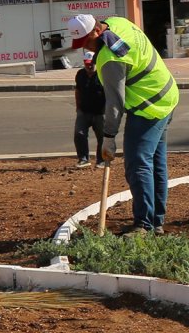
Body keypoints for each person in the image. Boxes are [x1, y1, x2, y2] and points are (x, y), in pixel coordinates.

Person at [68, 14, 180, 234]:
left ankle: (144, 225)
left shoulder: (110, 60)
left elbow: (115, 104)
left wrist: (108, 137)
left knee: (138, 164)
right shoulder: (118, 22)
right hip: (167, 94)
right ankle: (156, 222)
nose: (84, 48)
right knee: (155, 163)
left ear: (96, 32)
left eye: (85, 42)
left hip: (150, 106)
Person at [72, 50, 106, 168]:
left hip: (100, 113)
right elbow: (78, 91)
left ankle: (101, 160)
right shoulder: (80, 74)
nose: (89, 65)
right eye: (87, 63)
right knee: (79, 134)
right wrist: (78, 107)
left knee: (102, 137)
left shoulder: (102, 74)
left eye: (91, 63)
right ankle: (83, 159)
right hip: (84, 111)